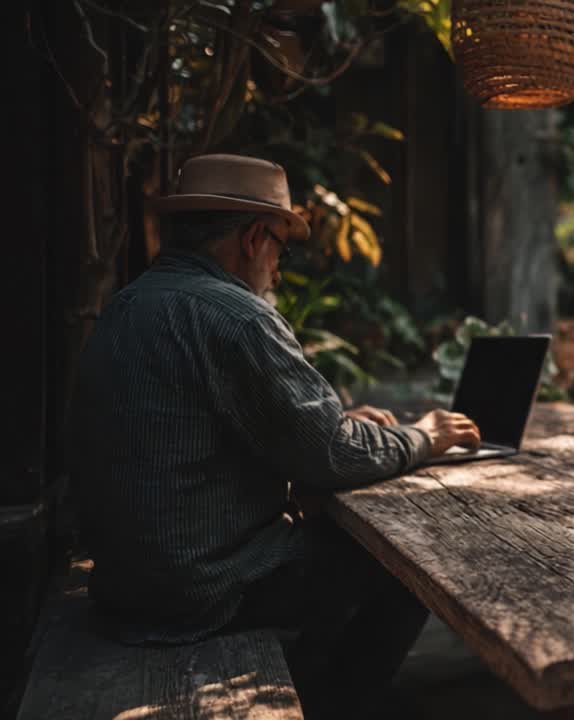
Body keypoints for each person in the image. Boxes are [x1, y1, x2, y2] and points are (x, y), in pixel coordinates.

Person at [72, 154, 479, 718]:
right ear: (254, 238)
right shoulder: (238, 316)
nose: (279, 270)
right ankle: (336, 702)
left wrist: (336, 423)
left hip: (126, 590)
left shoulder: (127, 305)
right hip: (200, 591)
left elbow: (219, 432)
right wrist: (424, 436)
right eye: (280, 251)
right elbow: (330, 455)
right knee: (411, 562)